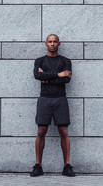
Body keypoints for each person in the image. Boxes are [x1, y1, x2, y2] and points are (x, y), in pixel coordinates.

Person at [30, 34, 75, 177]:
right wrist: (59, 75)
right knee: (41, 131)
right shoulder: (40, 61)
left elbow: (66, 81)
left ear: (59, 43)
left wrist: (47, 77)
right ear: (45, 43)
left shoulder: (66, 61)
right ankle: (38, 166)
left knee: (64, 132)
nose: (52, 44)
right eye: (50, 41)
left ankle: (67, 166)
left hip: (60, 99)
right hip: (44, 100)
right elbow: (37, 76)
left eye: (55, 41)